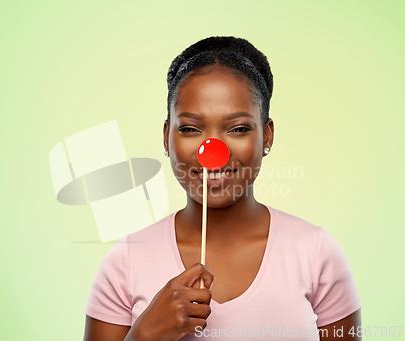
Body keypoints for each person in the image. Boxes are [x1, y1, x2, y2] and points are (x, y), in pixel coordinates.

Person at [83, 36, 361, 341]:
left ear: (267, 137)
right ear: (166, 138)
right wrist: (143, 336)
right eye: (190, 129)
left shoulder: (316, 254)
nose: (212, 150)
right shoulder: (125, 263)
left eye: (239, 128)